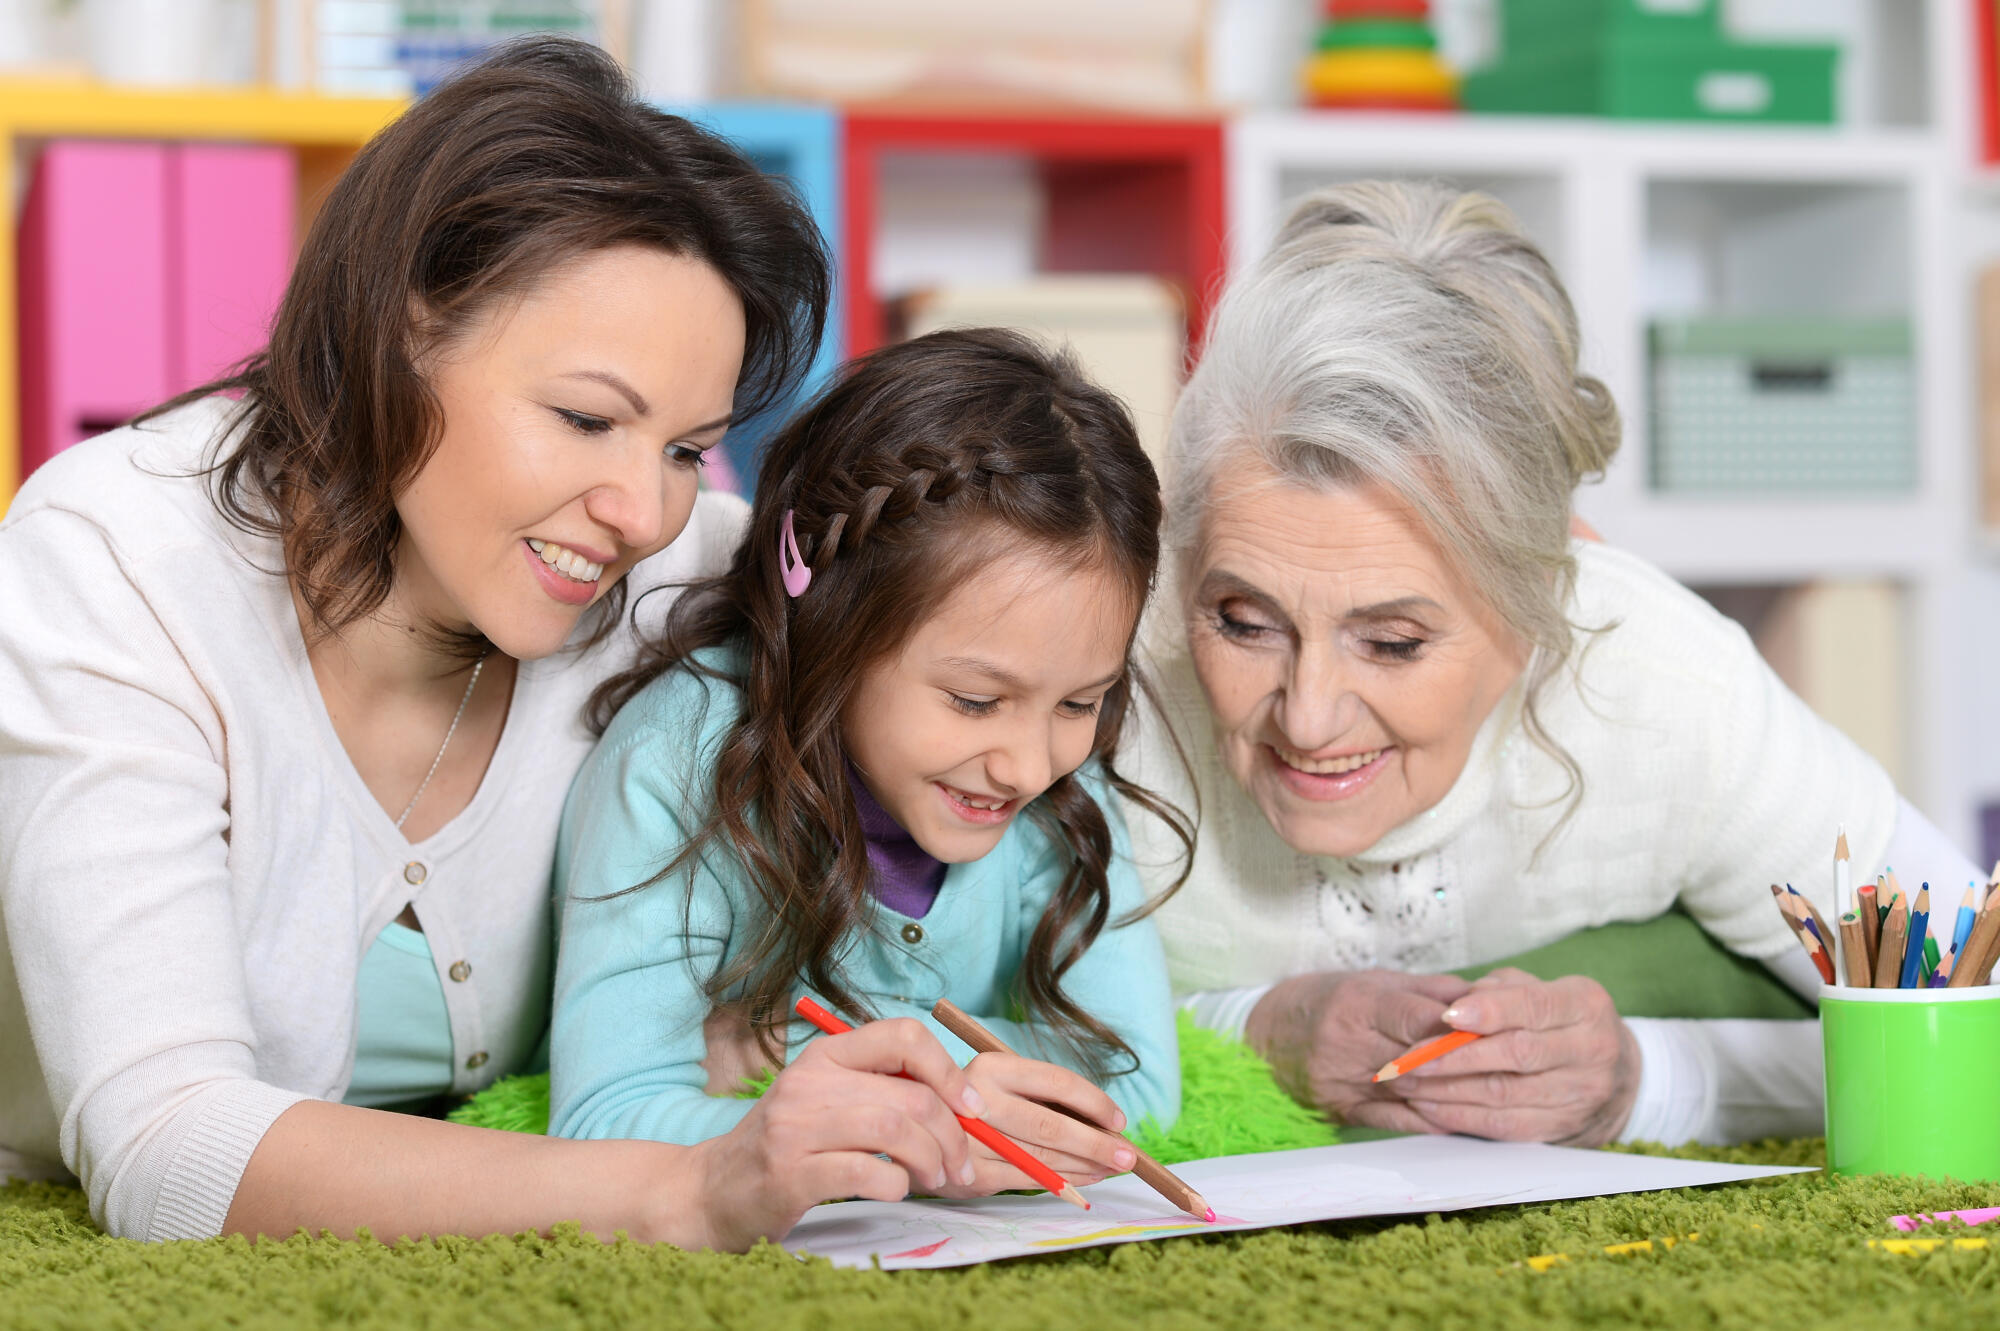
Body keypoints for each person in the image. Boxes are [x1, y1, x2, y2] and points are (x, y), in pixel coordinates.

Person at [0, 39, 995, 1250]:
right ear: (396, 335)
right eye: (586, 418)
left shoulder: (684, 571)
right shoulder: (113, 554)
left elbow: (1010, 652)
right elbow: (166, 1147)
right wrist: (683, 1189)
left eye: (686, 449)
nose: (643, 512)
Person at [1125, 180, 1978, 1148]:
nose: (1308, 716)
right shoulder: (1095, 687)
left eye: (1394, 641)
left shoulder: (1654, 677)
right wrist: (1259, 1028)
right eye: (1242, 621)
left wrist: (1642, 1078)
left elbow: (1965, 1006)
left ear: (1538, 597)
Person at [548, 329, 1190, 1195]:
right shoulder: (674, 764)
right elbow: (606, 1119)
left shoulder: (1062, 782)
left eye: (1082, 702)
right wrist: (950, 1105)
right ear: (830, 629)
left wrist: (824, 1050)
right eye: (973, 700)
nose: (1031, 766)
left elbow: (1138, 1087)